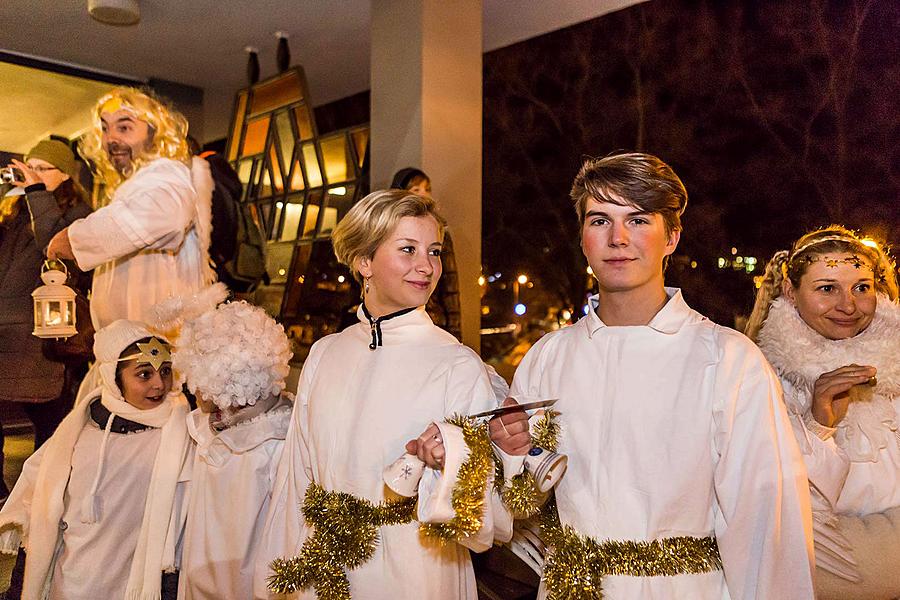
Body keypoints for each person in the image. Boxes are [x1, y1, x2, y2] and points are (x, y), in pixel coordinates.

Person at [490, 153, 815, 599]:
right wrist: (510, 453)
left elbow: (765, 525)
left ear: (672, 237)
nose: (618, 238)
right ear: (582, 238)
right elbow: (518, 503)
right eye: (600, 220)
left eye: (638, 220)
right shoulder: (549, 356)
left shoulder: (726, 358)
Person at [254, 189, 509, 599]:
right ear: (364, 261)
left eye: (435, 251)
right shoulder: (325, 353)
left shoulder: (456, 364)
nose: (426, 266)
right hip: (323, 567)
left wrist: (451, 465)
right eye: (408, 249)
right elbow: (295, 480)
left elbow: (483, 514)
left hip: (415, 571)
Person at [746, 225, 900, 599]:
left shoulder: (895, 368)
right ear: (790, 292)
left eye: (861, 287)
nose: (848, 305)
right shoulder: (759, 376)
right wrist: (819, 425)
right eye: (826, 288)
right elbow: (765, 505)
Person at [0, 319, 191, 600]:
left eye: (165, 371)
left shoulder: (179, 433)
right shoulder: (76, 434)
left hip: (130, 581)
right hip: (72, 579)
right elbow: (39, 499)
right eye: (143, 374)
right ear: (115, 378)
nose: (159, 384)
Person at [44, 87, 215, 331]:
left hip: (155, 348)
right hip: (133, 344)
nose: (111, 138)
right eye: (105, 128)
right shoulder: (139, 183)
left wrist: (74, 239)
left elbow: (167, 216)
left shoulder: (166, 172)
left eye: (124, 127)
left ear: (153, 134)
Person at [174, 289, 294, 600]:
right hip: (203, 577)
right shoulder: (206, 431)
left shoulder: (275, 446)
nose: (200, 401)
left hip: (247, 585)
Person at [0, 139, 92, 501]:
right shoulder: (17, 212)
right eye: (30, 166)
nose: (33, 175)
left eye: (43, 168)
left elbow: (54, 246)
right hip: (6, 331)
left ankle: (45, 494)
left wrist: (35, 191)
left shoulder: (79, 214)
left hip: (43, 337)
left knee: (50, 421)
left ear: (66, 175)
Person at [390, 168, 461, 340]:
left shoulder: (440, 231)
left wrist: (456, 333)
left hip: (433, 323)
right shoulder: (385, 229)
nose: (423, 194)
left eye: (427, 189)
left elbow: (450, 287)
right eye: (416, 189)